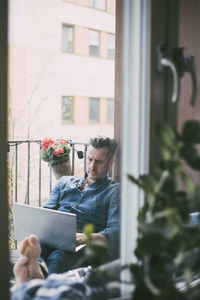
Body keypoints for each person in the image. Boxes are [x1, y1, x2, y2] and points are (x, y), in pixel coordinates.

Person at [40, 136, 120, 274]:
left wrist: (87, 237)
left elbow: (116, 230)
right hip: (54, 237)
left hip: (83, 246)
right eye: (89, 159)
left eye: (99, 162)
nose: (92, 166)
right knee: (34, 251)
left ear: (110, 162)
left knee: (58, 257)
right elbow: (45, 213)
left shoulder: (114, 191)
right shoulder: (64, 182)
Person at [11, 235, 121, 300]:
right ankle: (38, 276)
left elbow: (116, 230)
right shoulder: (60, 193)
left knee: (58, 255)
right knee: (41, 243)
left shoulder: (112, 194)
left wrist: (89, 236)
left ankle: (31, 286)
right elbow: (47, 210)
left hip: (85, 242)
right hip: (57, 237)